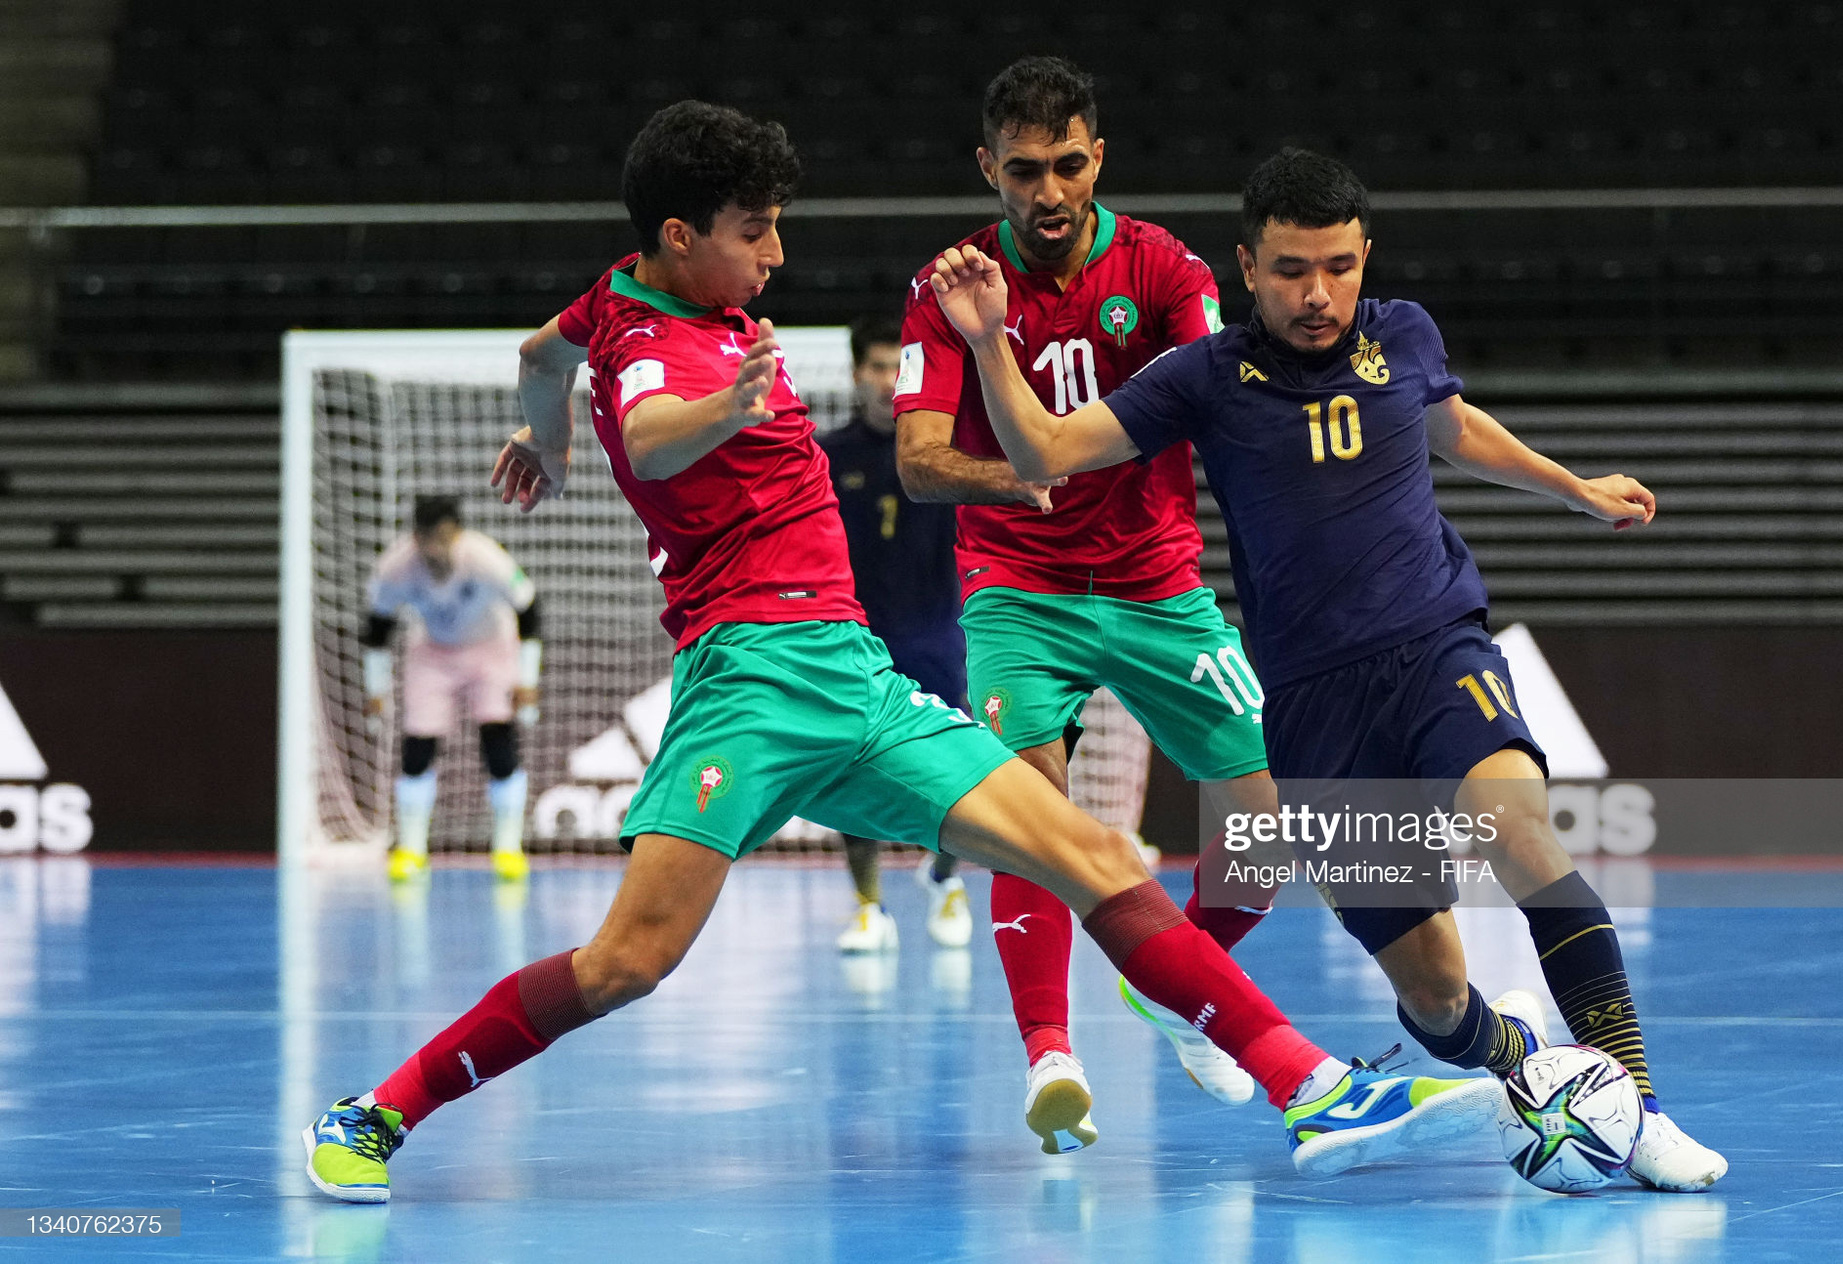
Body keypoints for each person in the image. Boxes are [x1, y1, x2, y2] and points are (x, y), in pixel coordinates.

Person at [301, 103, 1500, 1204]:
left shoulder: (616, 302)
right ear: (679, 233)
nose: (774, 259)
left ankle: (1311, 1090)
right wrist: (707, 416)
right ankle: (379, 1112)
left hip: (857, 676)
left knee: (1084, 844)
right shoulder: (673, 351)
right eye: (754, 234)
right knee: (628, 961)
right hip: (752, 681)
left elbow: (539, 353)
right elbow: (659, 436)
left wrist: (549, 439)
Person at [926, 146, 1730, 1192]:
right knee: (1438, 997)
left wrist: (1571, 487)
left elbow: (1453, 429)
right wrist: (990, 346)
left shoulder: (1402, 333)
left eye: (1339, 268)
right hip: (1313, 708)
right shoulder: (1200, 377)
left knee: (1517, 829)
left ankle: (1637, 1108)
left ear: (1364, 260)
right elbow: (1036, 452)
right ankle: (1520, 1067)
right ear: (1246, 267)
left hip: (1434, 646)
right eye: (1293, 271)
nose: (1318, 295)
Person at [896, 56, 1279, 1145]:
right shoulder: (949, 287)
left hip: (1158, 581)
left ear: (1096, 157)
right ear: (988, 168)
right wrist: (1016, 473)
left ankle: (1172, 986)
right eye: (1023, 172)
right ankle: (1048, 1053)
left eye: (1067, 165)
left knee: (1270, 827)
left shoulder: (1162, 268)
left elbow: (1218, 399)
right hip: (1016, 585)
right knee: (1034, 824)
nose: (1049, 193)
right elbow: (921, 460)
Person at [819, 316, 974, 952]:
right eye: (879, 367)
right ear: (857, 374)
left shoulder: (942, 449)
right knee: (849, 769)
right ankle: (867, 905)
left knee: (959, 773)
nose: (889, 381)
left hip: (938, 632)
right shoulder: (825, 455)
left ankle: (943, 876)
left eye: (900, 368)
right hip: (855, 636)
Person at [361, 494, 540, 882]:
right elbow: (376, 627)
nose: (434, 549)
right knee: (418, 747)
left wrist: (528, 680)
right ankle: (411, 850)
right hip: (432, 652)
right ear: (415, 537)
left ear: (457, 535)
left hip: (490, 648)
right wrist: (375, 689)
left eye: (442, 538)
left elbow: (529, 609)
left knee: (498, 743)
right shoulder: (397, 566)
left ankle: (508, 850)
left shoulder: (485, 558)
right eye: (425, 539)